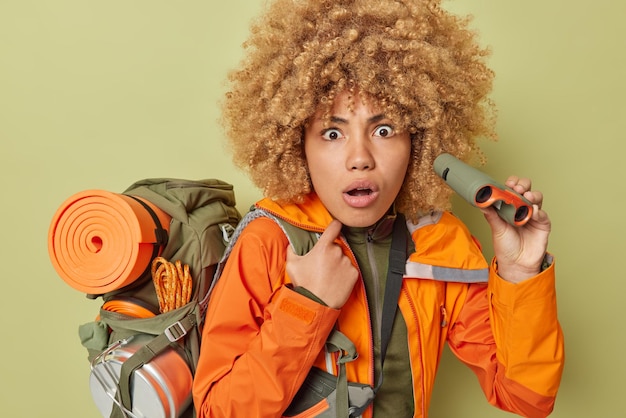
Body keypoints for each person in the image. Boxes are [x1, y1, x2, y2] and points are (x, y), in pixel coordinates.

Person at [192, 0, 564, 417]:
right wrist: (307, 303)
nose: (360, 158)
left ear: (418, 141)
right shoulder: (268, 242)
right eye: (332, 133)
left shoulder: (440, 243)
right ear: (297, 145)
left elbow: (526, 398)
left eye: (383, 130)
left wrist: (519, 273)